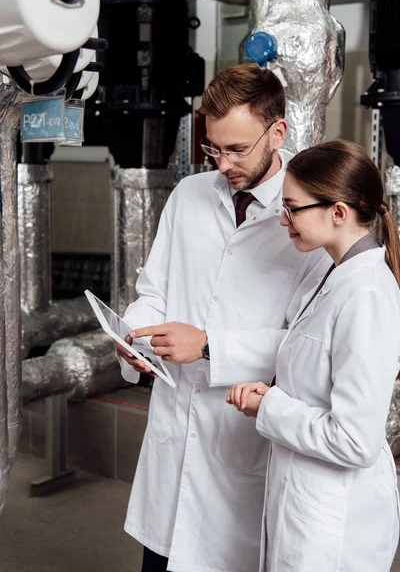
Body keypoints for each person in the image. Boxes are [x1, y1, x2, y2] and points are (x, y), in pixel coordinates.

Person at [115, 63, 331, 572]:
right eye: (213, 148)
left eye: (237, 149)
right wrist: (133, 336)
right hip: (173, 434)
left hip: (242, 441)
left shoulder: (308, 215)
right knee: (161, 558)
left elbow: (309, 343)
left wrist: (209, 345)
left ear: (277, 132)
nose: (224, 163)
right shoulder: (190, 196)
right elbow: (154, 291)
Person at [228, 139, 400, 572]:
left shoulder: (367, 296)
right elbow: (314, 374)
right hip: (307, 504)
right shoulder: (329, 273)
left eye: (292, 208)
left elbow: (355, 441)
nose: (283, 220)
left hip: (336, 523)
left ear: (338, 213)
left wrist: (270, 407)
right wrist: (271, 391)